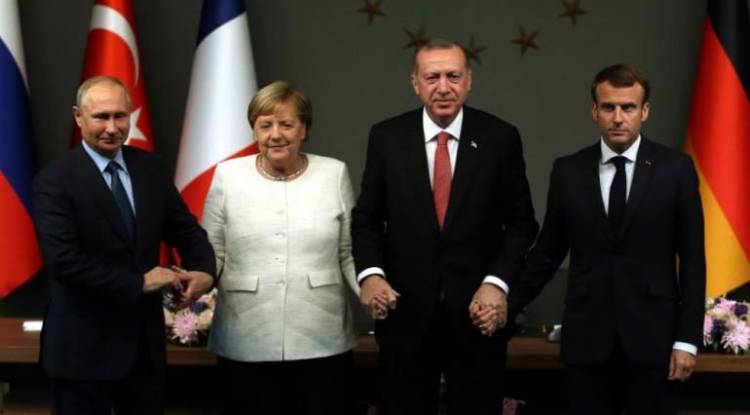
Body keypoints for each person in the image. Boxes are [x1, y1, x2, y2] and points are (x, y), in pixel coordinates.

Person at [351, 39, 539, 414]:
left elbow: (522, 224)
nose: (443, 87)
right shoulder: (387, 137)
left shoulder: (500, 137)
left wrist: (496, 283)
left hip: (477, 317)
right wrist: (371, 276)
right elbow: (367, 219)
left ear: (469, 80)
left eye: (453, 76)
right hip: (405, 317)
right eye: (432, 77)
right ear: (415, 83)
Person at [508, 64, 705, 415]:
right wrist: (505, 307)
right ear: (594, 111)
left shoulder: (675, 170)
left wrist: (687, 339)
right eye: (608, 107)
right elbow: (548, 253)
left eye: (628, 107)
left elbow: (692, 260)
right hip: (588, 341)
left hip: (653, 342)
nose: (618, 118)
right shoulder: (568, 170)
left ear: (645, 111)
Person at [33, 75, 216, 415]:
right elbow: (64, 262)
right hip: (82, 353)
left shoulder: (151, 168)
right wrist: (140, 282)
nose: (112, 127)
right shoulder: (54, 180)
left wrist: (205, 270)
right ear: (78, 117)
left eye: (120, 116)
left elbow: (186, 230)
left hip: (143, 353)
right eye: (101, 117)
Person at [202, 81, 359, 415]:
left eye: (286, 124)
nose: (275, 135)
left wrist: (372, 294)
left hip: (322, 334)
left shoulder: (333, 173)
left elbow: (348, 252)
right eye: (265, 125)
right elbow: (212, 252)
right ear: (254, 130)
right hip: (245, 334)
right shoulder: (228, 175)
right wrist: (195, 283)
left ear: (304, 129)